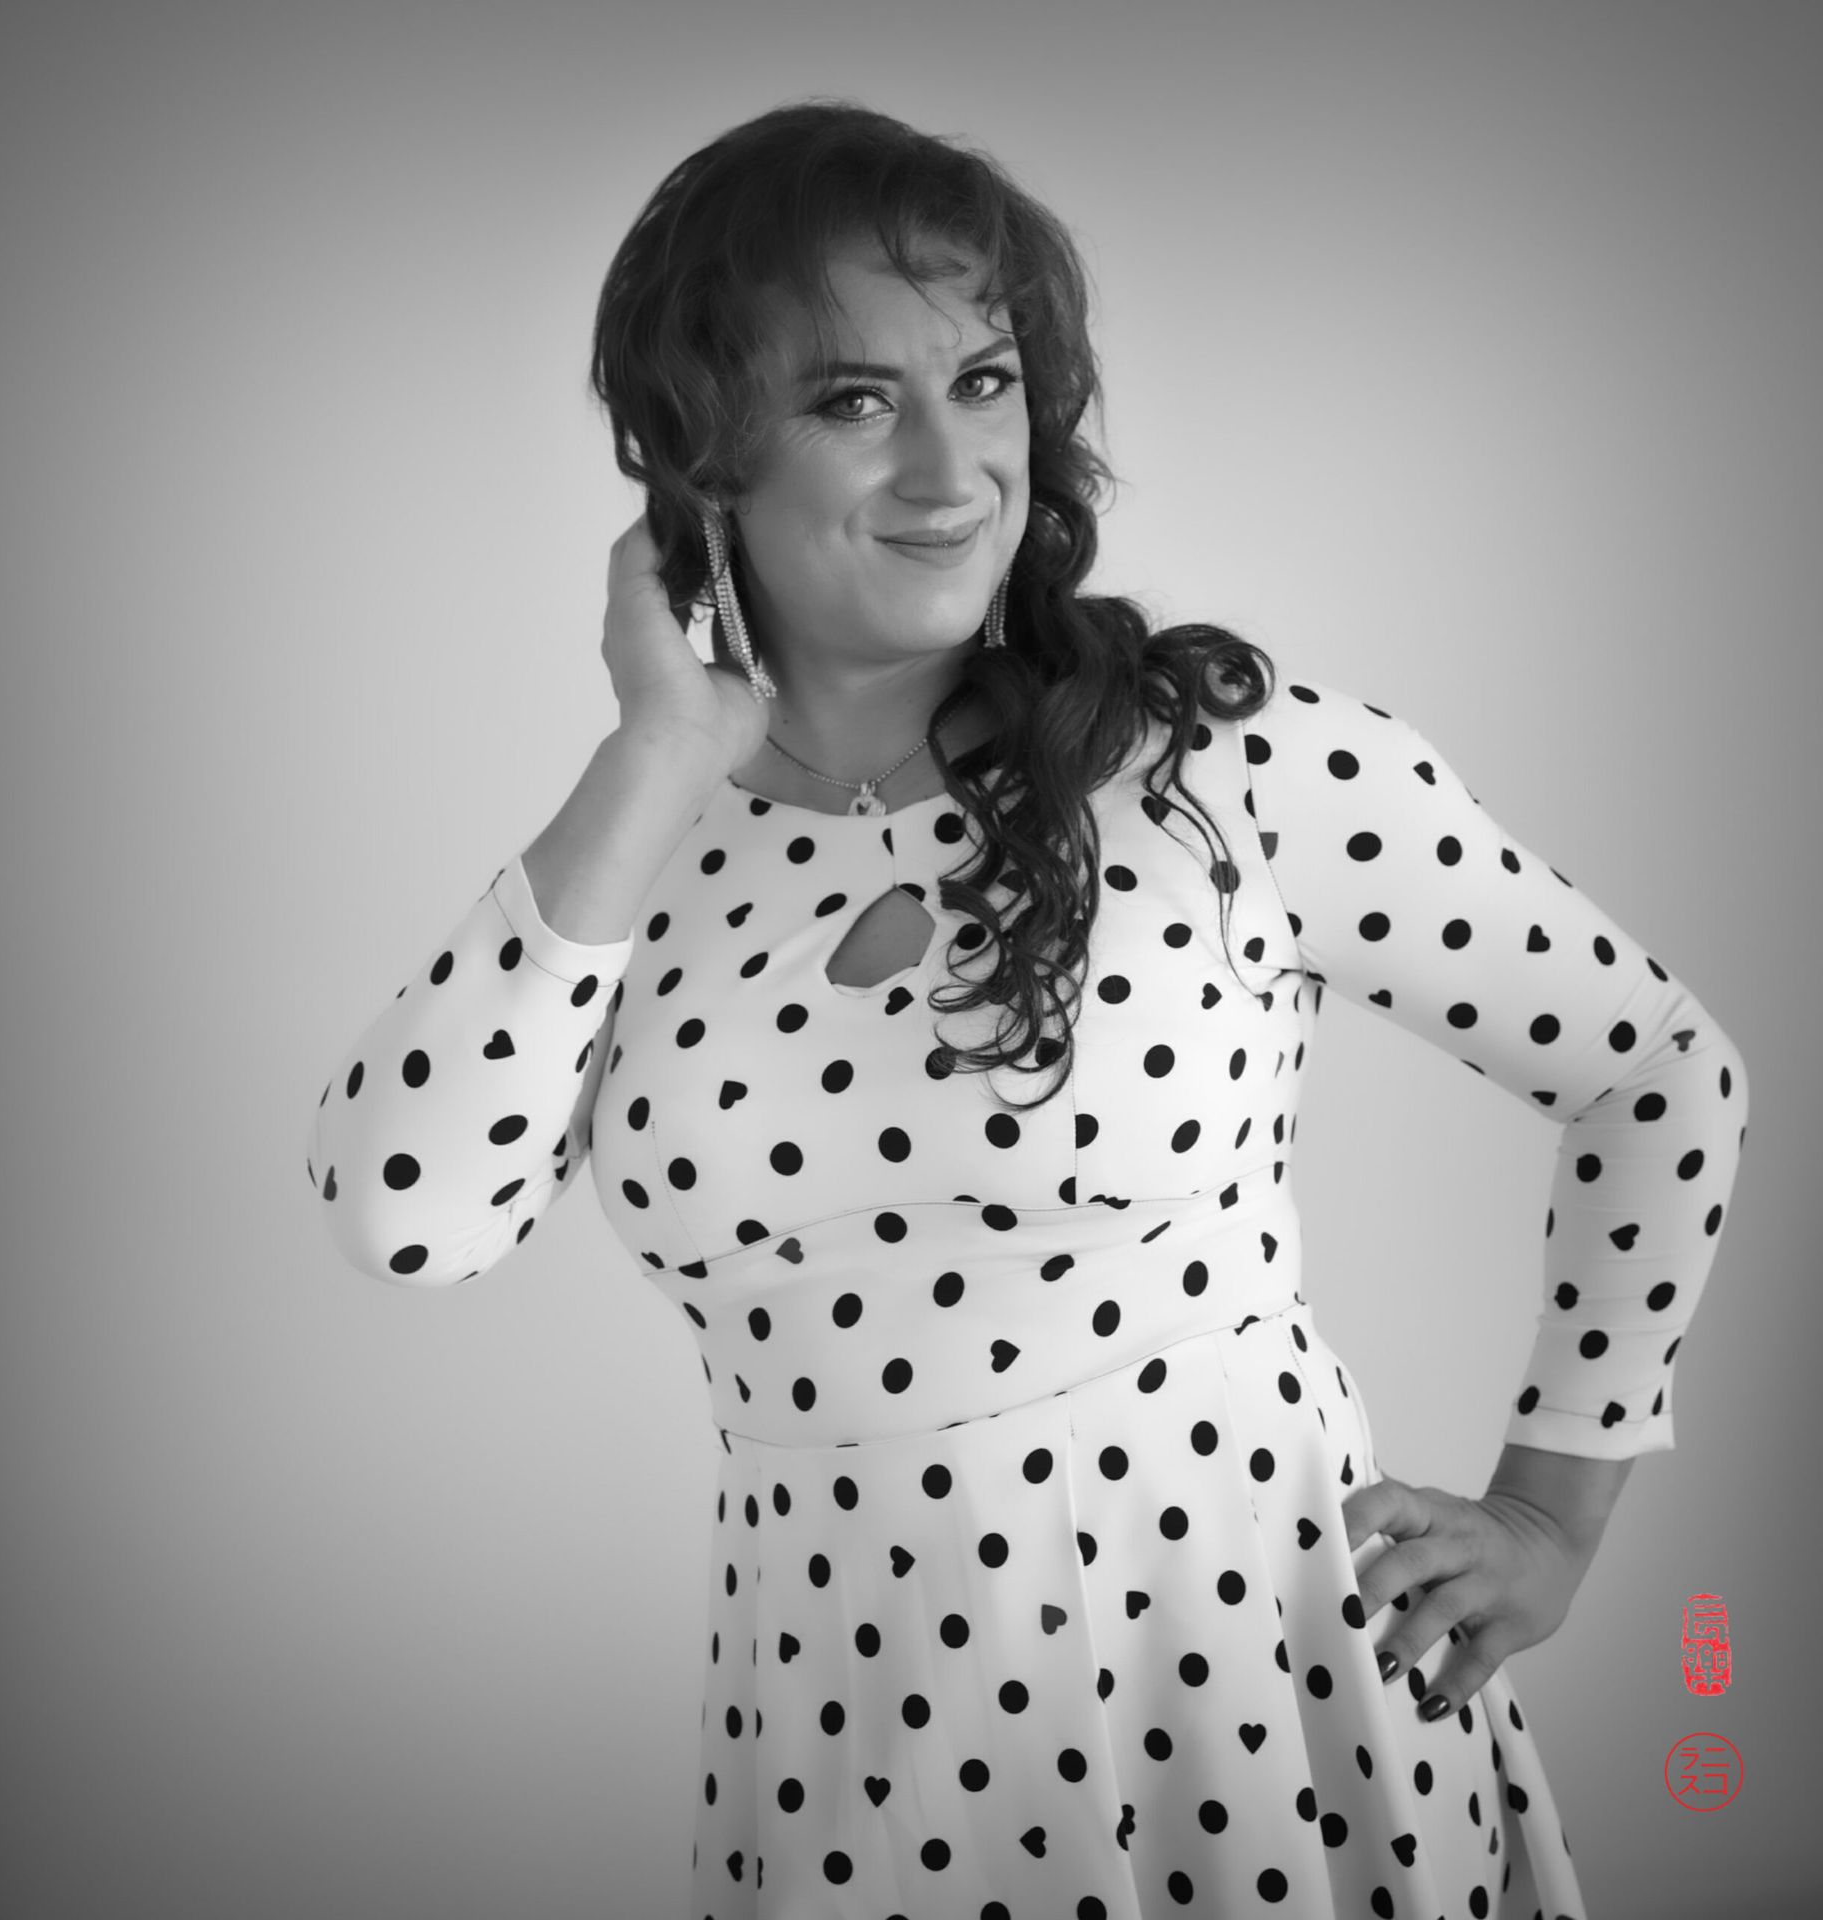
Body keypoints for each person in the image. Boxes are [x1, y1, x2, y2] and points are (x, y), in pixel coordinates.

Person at [305, 100, 1748, 1920]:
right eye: (851, 399)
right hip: (842, 1754)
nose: (949, 466)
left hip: (1251, 1703)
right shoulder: (640, 862)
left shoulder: (1216, 762)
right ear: (699, 462)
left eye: (983, 381)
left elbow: (1656, 1070)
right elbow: (400, 1217)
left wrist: (1555, 1509)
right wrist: (659, 749)